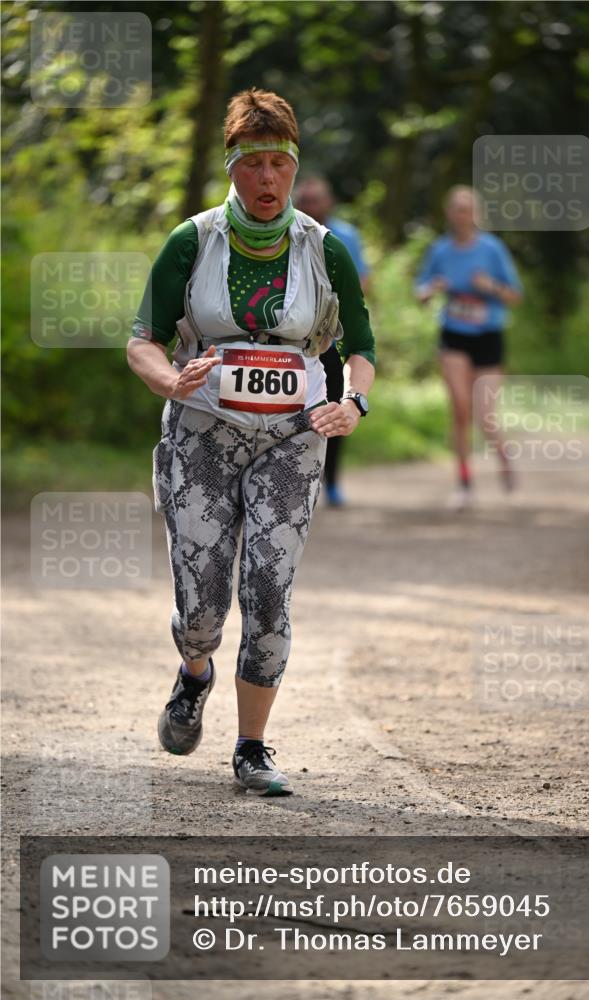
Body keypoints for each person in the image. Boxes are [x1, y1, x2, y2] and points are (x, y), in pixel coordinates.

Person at [127, 88, 375, 796]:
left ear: (294, 167)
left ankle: (252, 747)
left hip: (292, 439)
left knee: (268, 588)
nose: (267, 180)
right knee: (203, 609)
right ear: (231, 166)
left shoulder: (324, 250)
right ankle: (193, 671)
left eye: (279, 164)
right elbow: (142, 340)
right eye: (252, 164)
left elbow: (361, 348)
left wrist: (352, 402)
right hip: (202, 433)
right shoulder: (191, 240)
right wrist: (167, 381)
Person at [415, 185, 522, 510]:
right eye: (457, 208)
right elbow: (419, 292)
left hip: (488, 336)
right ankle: (464, 481)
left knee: (485, 417)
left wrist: (489, 286)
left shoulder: (492, 249)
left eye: (468, 208)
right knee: (461, 409)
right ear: (449, 213)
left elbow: (515, 296)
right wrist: (432, 288)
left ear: (477, 214)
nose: (462, 214)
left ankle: (503, 456)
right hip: (454, 335)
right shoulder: (440, 250)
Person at [293, 175, 371, 507]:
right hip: (291, 337)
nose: (311, 206)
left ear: (330, 203)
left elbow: (364, 282)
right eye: (305, 201)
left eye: (316, 200)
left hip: (331, 338)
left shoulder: (346, 237)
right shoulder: (286, 235)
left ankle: (333, 481)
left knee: (336, 405)